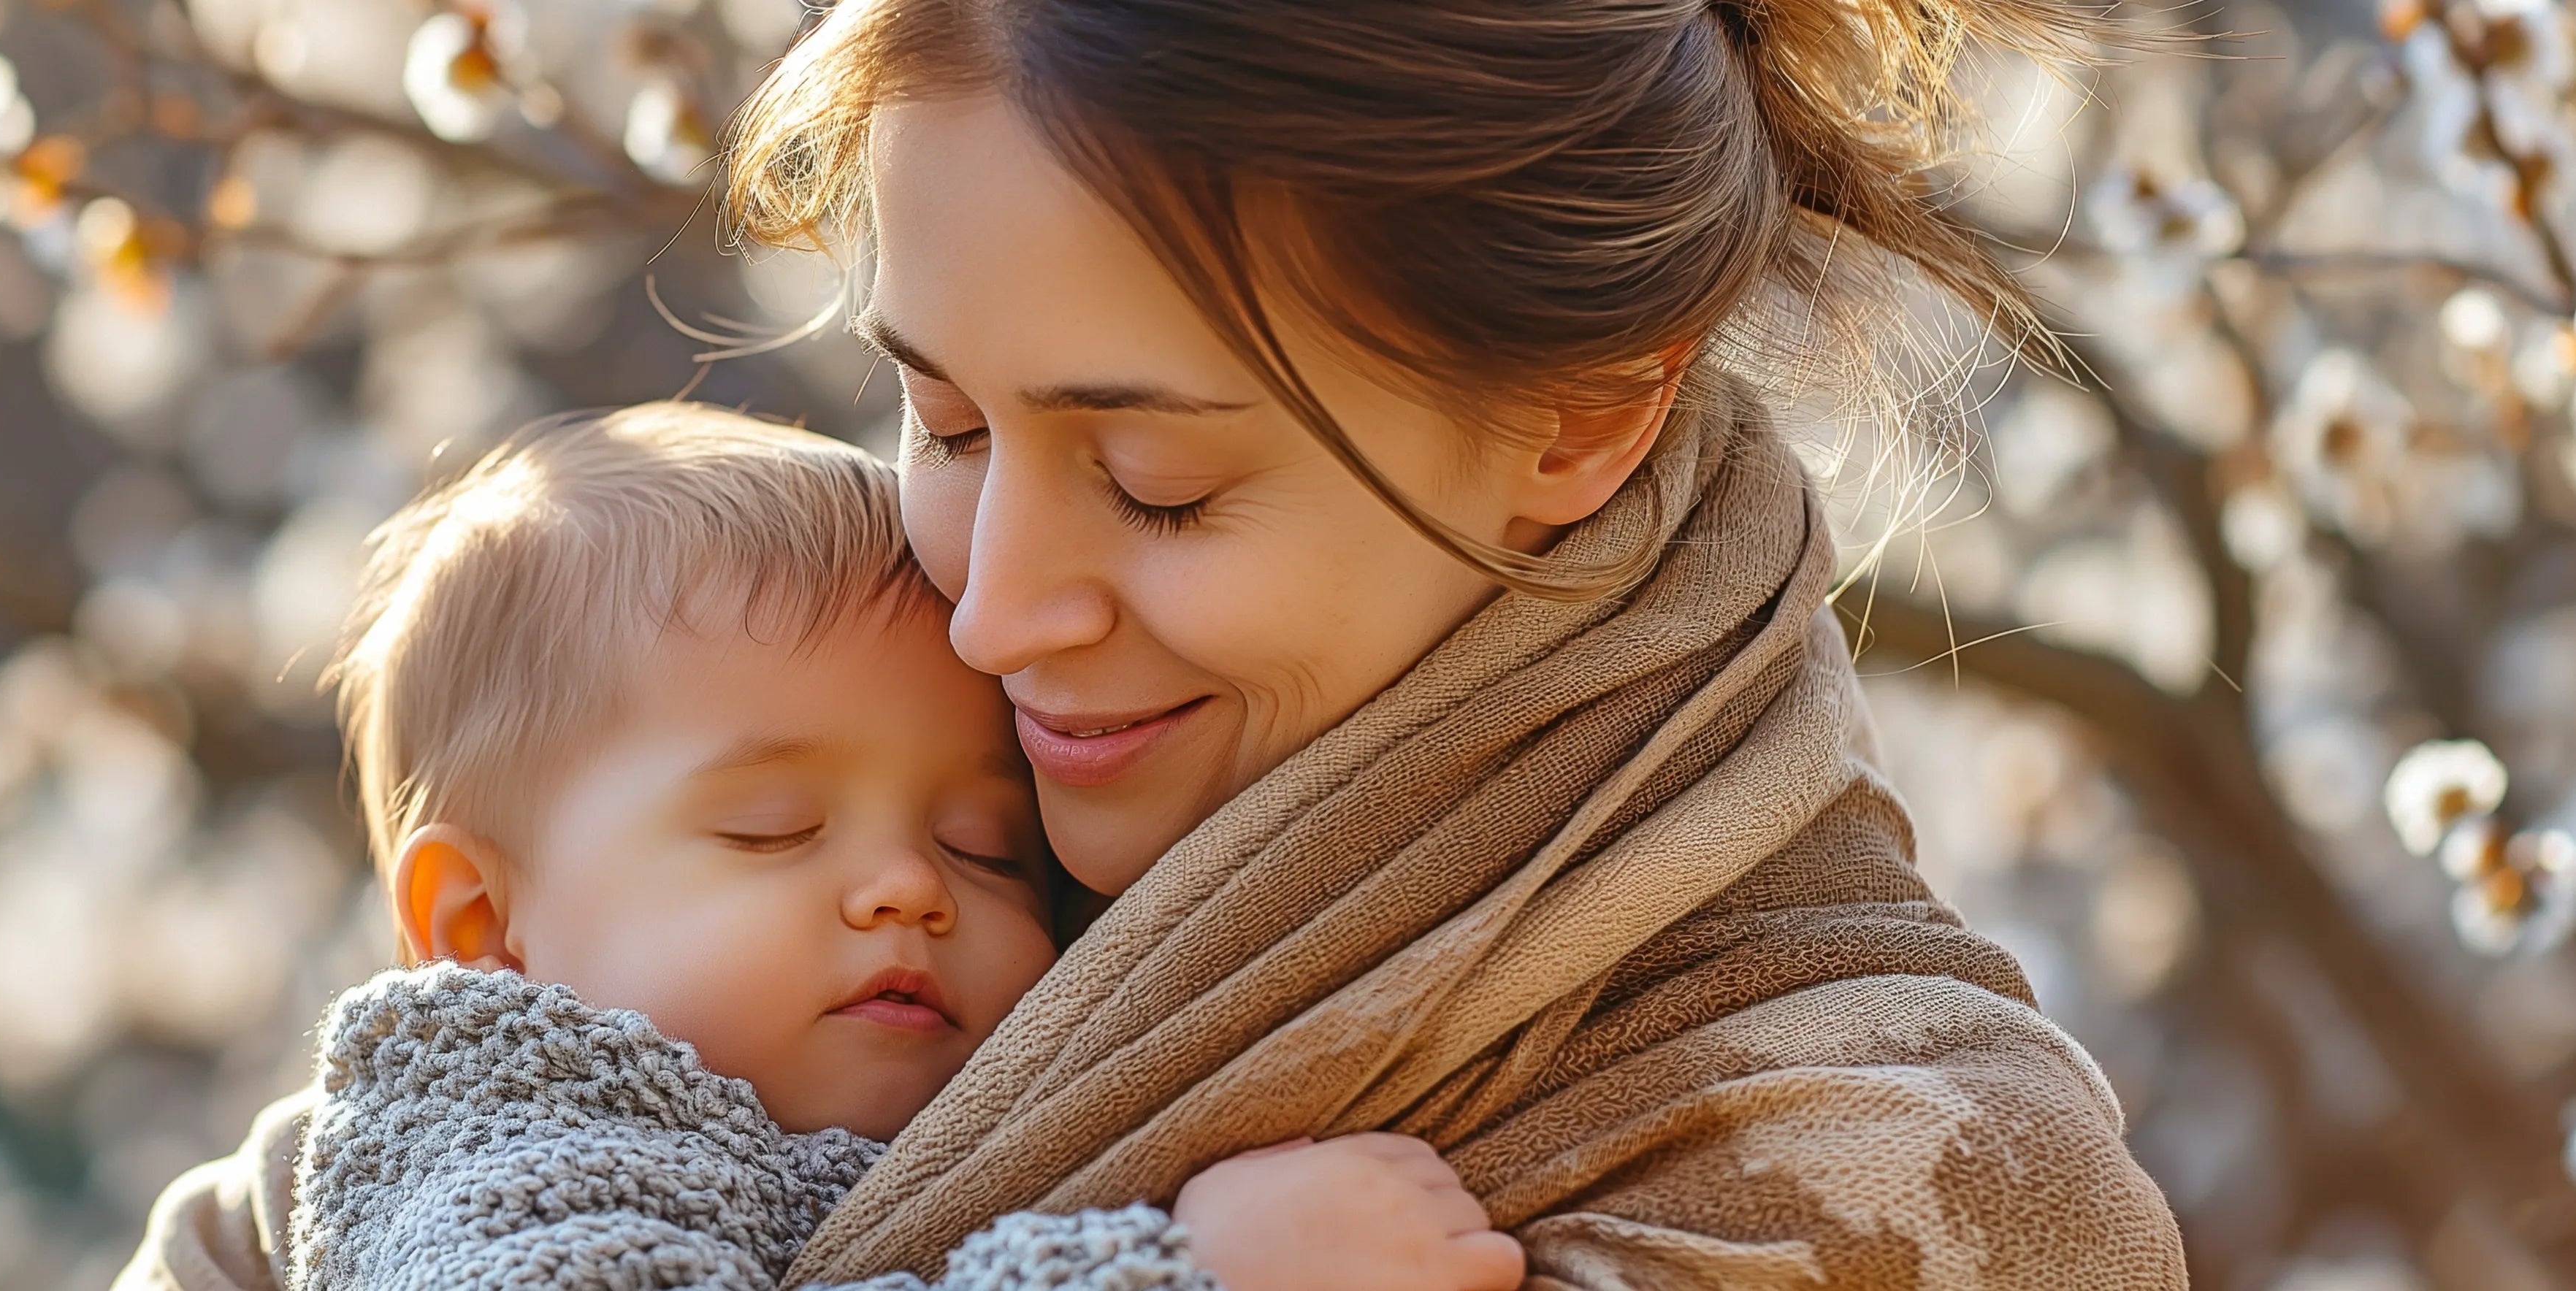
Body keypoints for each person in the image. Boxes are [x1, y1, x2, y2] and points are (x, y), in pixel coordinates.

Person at [711, 0, 2193, 1286]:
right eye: (948, 426)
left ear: (1579, 417)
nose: (994, 611)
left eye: (1160, 489)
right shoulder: (788, 873)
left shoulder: (1915, 1189)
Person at [122, 404, 1526, 1291]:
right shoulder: (498, 1148)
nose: (908, 888)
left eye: (986, 848)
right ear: (484, 927)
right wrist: (1184, 1270)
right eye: (771, 828)